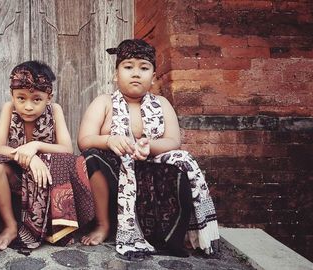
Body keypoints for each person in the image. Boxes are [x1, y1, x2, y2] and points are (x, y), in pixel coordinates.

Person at [77, 39, 219, 258]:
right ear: (116, 74)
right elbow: (84, 139)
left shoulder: (161, 103)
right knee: (91, 157)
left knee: (182, 162)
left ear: (153, 78)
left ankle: (171, 231)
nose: (136, 73)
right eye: (128, 67)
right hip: (115, 171)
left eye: (143, 68)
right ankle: (103, 224)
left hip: (149, 171)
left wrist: (148, 145)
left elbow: (173, 141)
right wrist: (109, 141)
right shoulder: (104, 102)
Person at [0, 61, 94, 250]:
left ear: (48, 97)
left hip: (45, 179)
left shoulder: (55, 110)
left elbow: (67, 148)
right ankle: (11, 226)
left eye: (36, 99)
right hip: (17, 179)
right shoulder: (8, 109)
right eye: (21, 98)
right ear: (12, 96)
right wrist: (29, 158)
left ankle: (57, 226)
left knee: (72, 161)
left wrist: (35, 146)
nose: (28, 106)